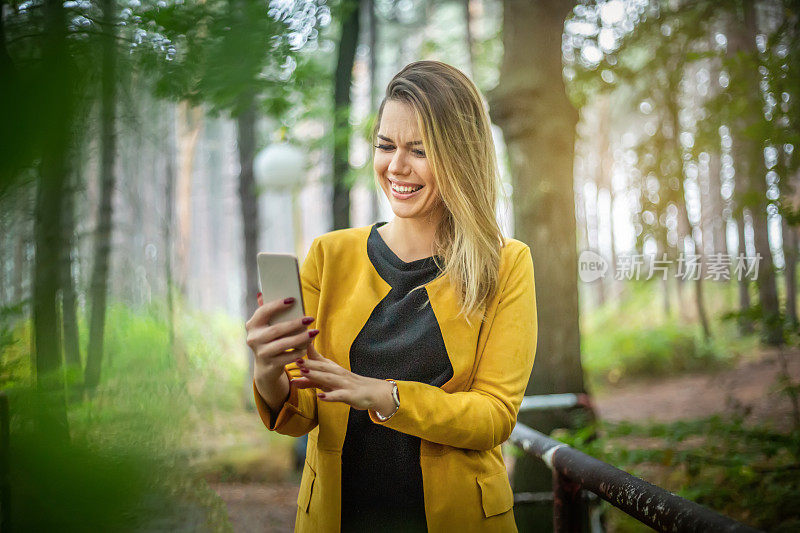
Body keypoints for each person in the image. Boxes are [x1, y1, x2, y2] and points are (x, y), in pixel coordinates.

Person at [246, 60, 537, 533]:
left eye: (419, 150)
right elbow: (299, 416)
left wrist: (385, 396)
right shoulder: (329, 255)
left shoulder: (506, 264)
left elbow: (494, 416)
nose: (396, 166)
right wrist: (267, 369)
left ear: (460, 155)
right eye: (386, 145)